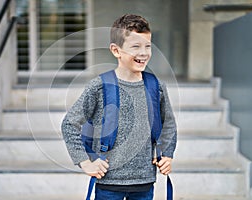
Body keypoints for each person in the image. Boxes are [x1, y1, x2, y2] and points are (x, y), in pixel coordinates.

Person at [61, 14, 177, 200]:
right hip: (108, 183)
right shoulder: (99, 86)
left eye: (148, 46)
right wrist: (85, 163)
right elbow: (69, 124)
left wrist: (167, 155)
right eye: (135, 46)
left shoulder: (156, 86)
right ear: (116, 50)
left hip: (144, 183)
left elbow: (168, 124)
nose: (144, 53)